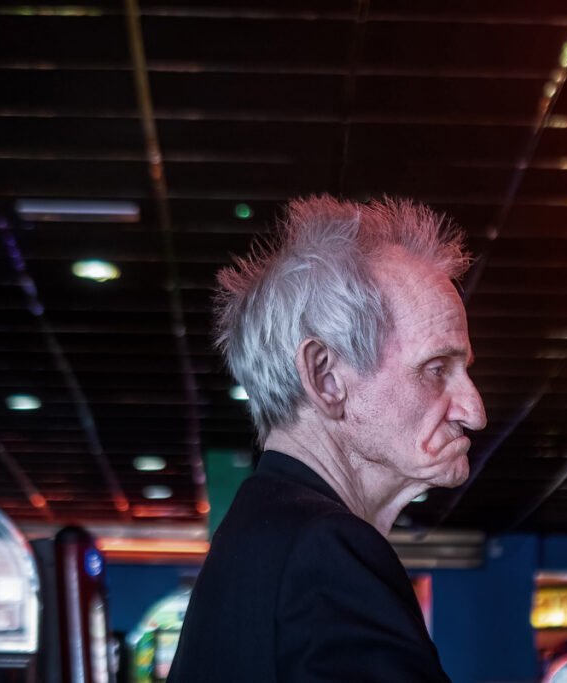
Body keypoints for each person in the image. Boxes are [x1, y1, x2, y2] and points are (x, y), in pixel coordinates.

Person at [168, 195, 487, 682]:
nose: (475, 412)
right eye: (436, 369)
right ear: (327, 377)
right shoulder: (326, 551)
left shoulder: (261, 537)